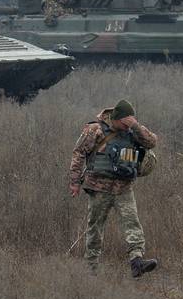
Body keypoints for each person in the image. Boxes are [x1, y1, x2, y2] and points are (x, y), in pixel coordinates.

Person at [68, 99, 159, 277]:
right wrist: (74, 182)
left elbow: (152, 142)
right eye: (124, 123)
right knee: (95, 229)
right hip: (99, 187)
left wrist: (135, 125)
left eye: (129, 123)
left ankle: (137, 261)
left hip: (124, 188)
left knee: (132, 223)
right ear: (116, 119)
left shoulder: (132, 130)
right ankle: (90, 268)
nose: (126, 127)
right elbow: (78, 152)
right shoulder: (95, 130)